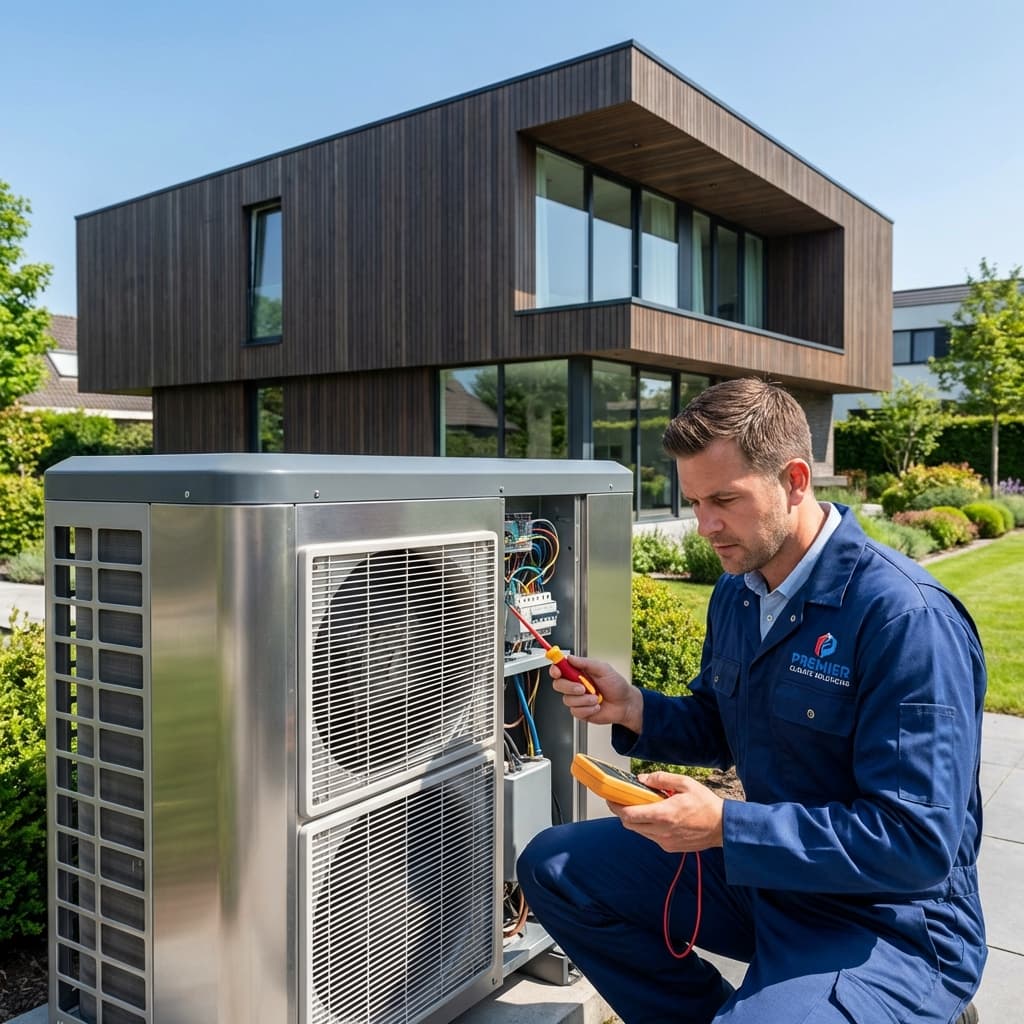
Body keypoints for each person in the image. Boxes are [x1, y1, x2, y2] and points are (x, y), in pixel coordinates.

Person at [517, 378, 986, 1024]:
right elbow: (723, 722)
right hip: (769, 879)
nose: (705, 526)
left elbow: (914, 842)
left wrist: (725, 827)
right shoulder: (739, 593)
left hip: (890, 922)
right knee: (555, 865)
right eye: (693, 502)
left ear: (795, 480)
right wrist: (634, 709)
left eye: (724, 501)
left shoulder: (905, 619)